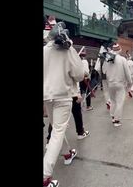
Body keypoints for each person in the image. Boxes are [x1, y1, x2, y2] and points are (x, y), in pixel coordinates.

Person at [43, 22, 85, 187]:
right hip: (63, 96)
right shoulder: (69, 50)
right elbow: (80, 75)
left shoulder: (44, 50)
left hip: (47, 96)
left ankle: (68, 154)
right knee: (58, 132)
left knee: (57, 128)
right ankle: (45, 176)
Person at [102, 43, 132, 127]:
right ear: (120, 50)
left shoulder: (107, 59)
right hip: (120, 84)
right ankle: (117, 120)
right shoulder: (122, 59)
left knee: (113, 100)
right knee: (120, 102)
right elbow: (127, 73)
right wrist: (130, 82)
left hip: (110, 83)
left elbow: (103, 71)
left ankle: (112, 116)